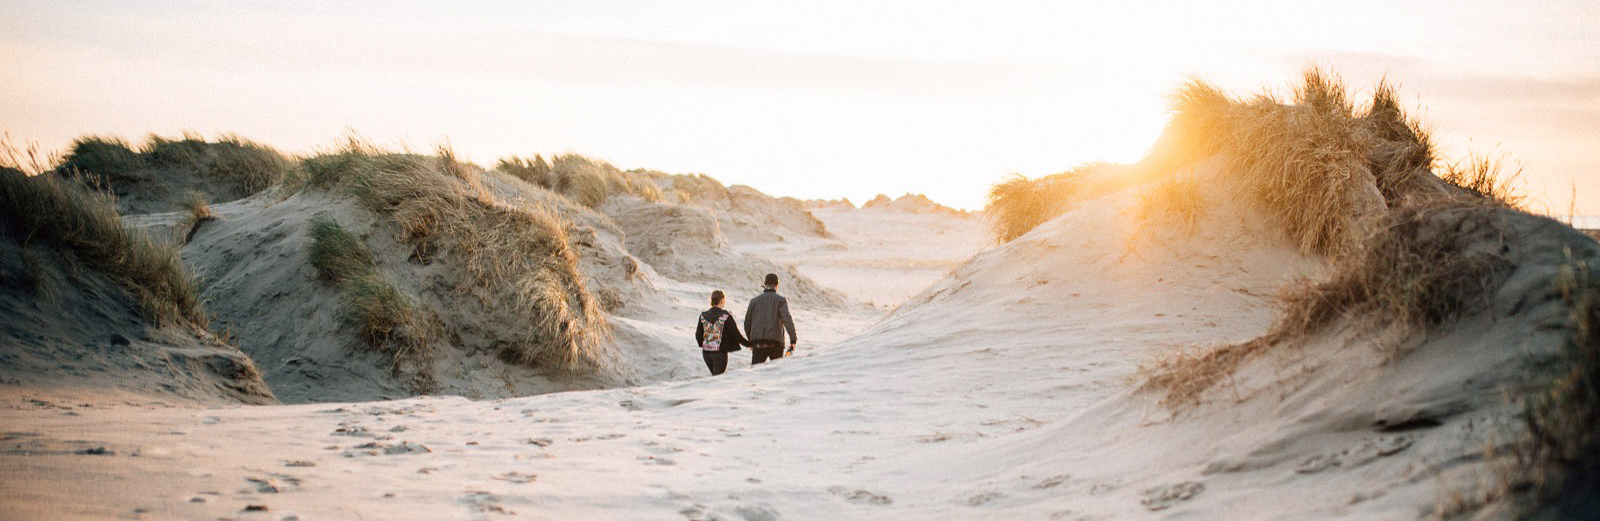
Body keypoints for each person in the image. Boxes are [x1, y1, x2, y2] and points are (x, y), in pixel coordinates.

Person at [744, 273, 797, 365]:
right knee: (777, 374)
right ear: (777, 285)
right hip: (775, 344)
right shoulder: (780, 300)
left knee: (755, 375)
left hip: (758, 344)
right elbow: (787, 320)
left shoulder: (754, 301)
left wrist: (751, 341)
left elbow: (747, 323)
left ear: (765, 284)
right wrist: (793, 340)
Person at [695, 290, 745, 376]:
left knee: (715, 376)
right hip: (719, 353)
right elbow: (736, 335)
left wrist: (703, 345)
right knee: (718, 379)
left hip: (706, 353)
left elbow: (698, 334)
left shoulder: (703, 315)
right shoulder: (725, 316)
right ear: (722, 301)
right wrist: (749, 344)